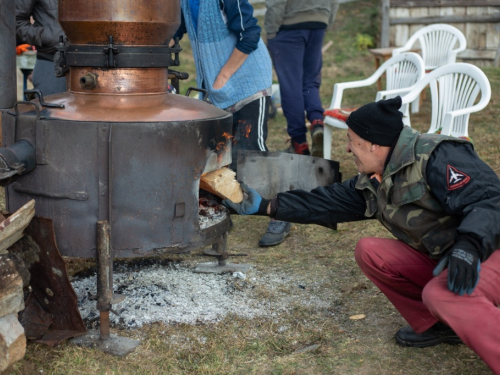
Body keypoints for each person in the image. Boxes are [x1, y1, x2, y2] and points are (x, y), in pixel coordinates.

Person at [223, 96, 500, 373]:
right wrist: (267, 206)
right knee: (370, 251)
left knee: (441, 296)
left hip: (487, 250)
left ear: (373, 144)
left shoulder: (436, 155)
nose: (347, 147)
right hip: (449, 255)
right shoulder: (375, 178)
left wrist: (470, 245)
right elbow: (326, 202)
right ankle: (443, 326)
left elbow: (488, 199)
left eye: (352, 141)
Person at [174, 0, 291, 247]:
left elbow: (250, 34)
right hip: (217, 87)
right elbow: (176, 28)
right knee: (217, 154)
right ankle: (217, 213)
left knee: (252, 153)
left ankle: (283, 212)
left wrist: (223, 76)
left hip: (247, 80)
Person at [265, 0, 339, 157]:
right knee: (310, 81)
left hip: (289, 25)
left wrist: (271, 32)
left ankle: (299, 143)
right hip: (318, 22)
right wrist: (326, 21)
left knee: (291, 85)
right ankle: (317, 123)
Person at [16, 0, 67, 97]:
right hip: (51, 62)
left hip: (94, 62)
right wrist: (46, 37)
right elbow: (15, 20)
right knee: (51, 110)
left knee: (94, 110)